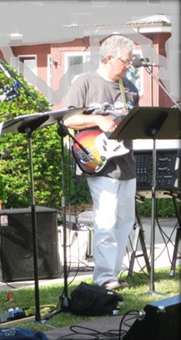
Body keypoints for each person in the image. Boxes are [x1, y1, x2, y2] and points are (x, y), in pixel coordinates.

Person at [63, 34, 140, 290]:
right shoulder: (85, 83)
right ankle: (104, 277)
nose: (128, 66)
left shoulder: (129, 88)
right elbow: (69, 120)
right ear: (109, 58)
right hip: (99, 164)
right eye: (125, 61)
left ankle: (113, 274)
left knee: (125, 222)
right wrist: (97, 120)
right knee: (105, 221)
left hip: (126, 162)